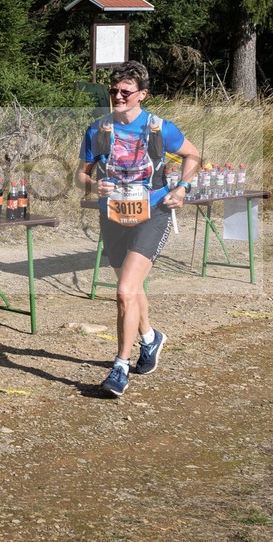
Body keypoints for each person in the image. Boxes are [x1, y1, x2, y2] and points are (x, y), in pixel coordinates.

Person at [76, 61, 198, 397]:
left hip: (152, 213)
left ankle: (119, 367)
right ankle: (150, 338)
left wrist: (182, 188)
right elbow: (82, 175)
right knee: (131, 288)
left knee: (124, 292)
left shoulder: (160, 129)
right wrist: (91, 186)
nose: (117, 96)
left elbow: (193, 155)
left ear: (142, 95)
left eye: (125, 92)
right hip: (113, 215)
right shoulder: (97, 130)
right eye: (113, 91)